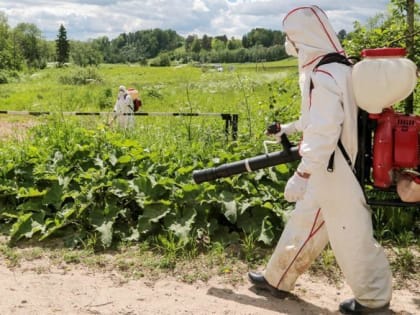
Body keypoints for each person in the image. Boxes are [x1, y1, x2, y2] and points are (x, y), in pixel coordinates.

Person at [248, 5, 392, 314]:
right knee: (306, 221)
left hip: (333, 167)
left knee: (350, 234)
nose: (292, 46)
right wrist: (288, 129)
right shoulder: (340, 68)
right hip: (338, 164)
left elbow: (325, 130)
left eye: (294, 39)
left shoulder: (324, 75)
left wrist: (303, 173)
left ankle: (374, 300)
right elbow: (316, 118)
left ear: (305, 38)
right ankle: (277, 278)